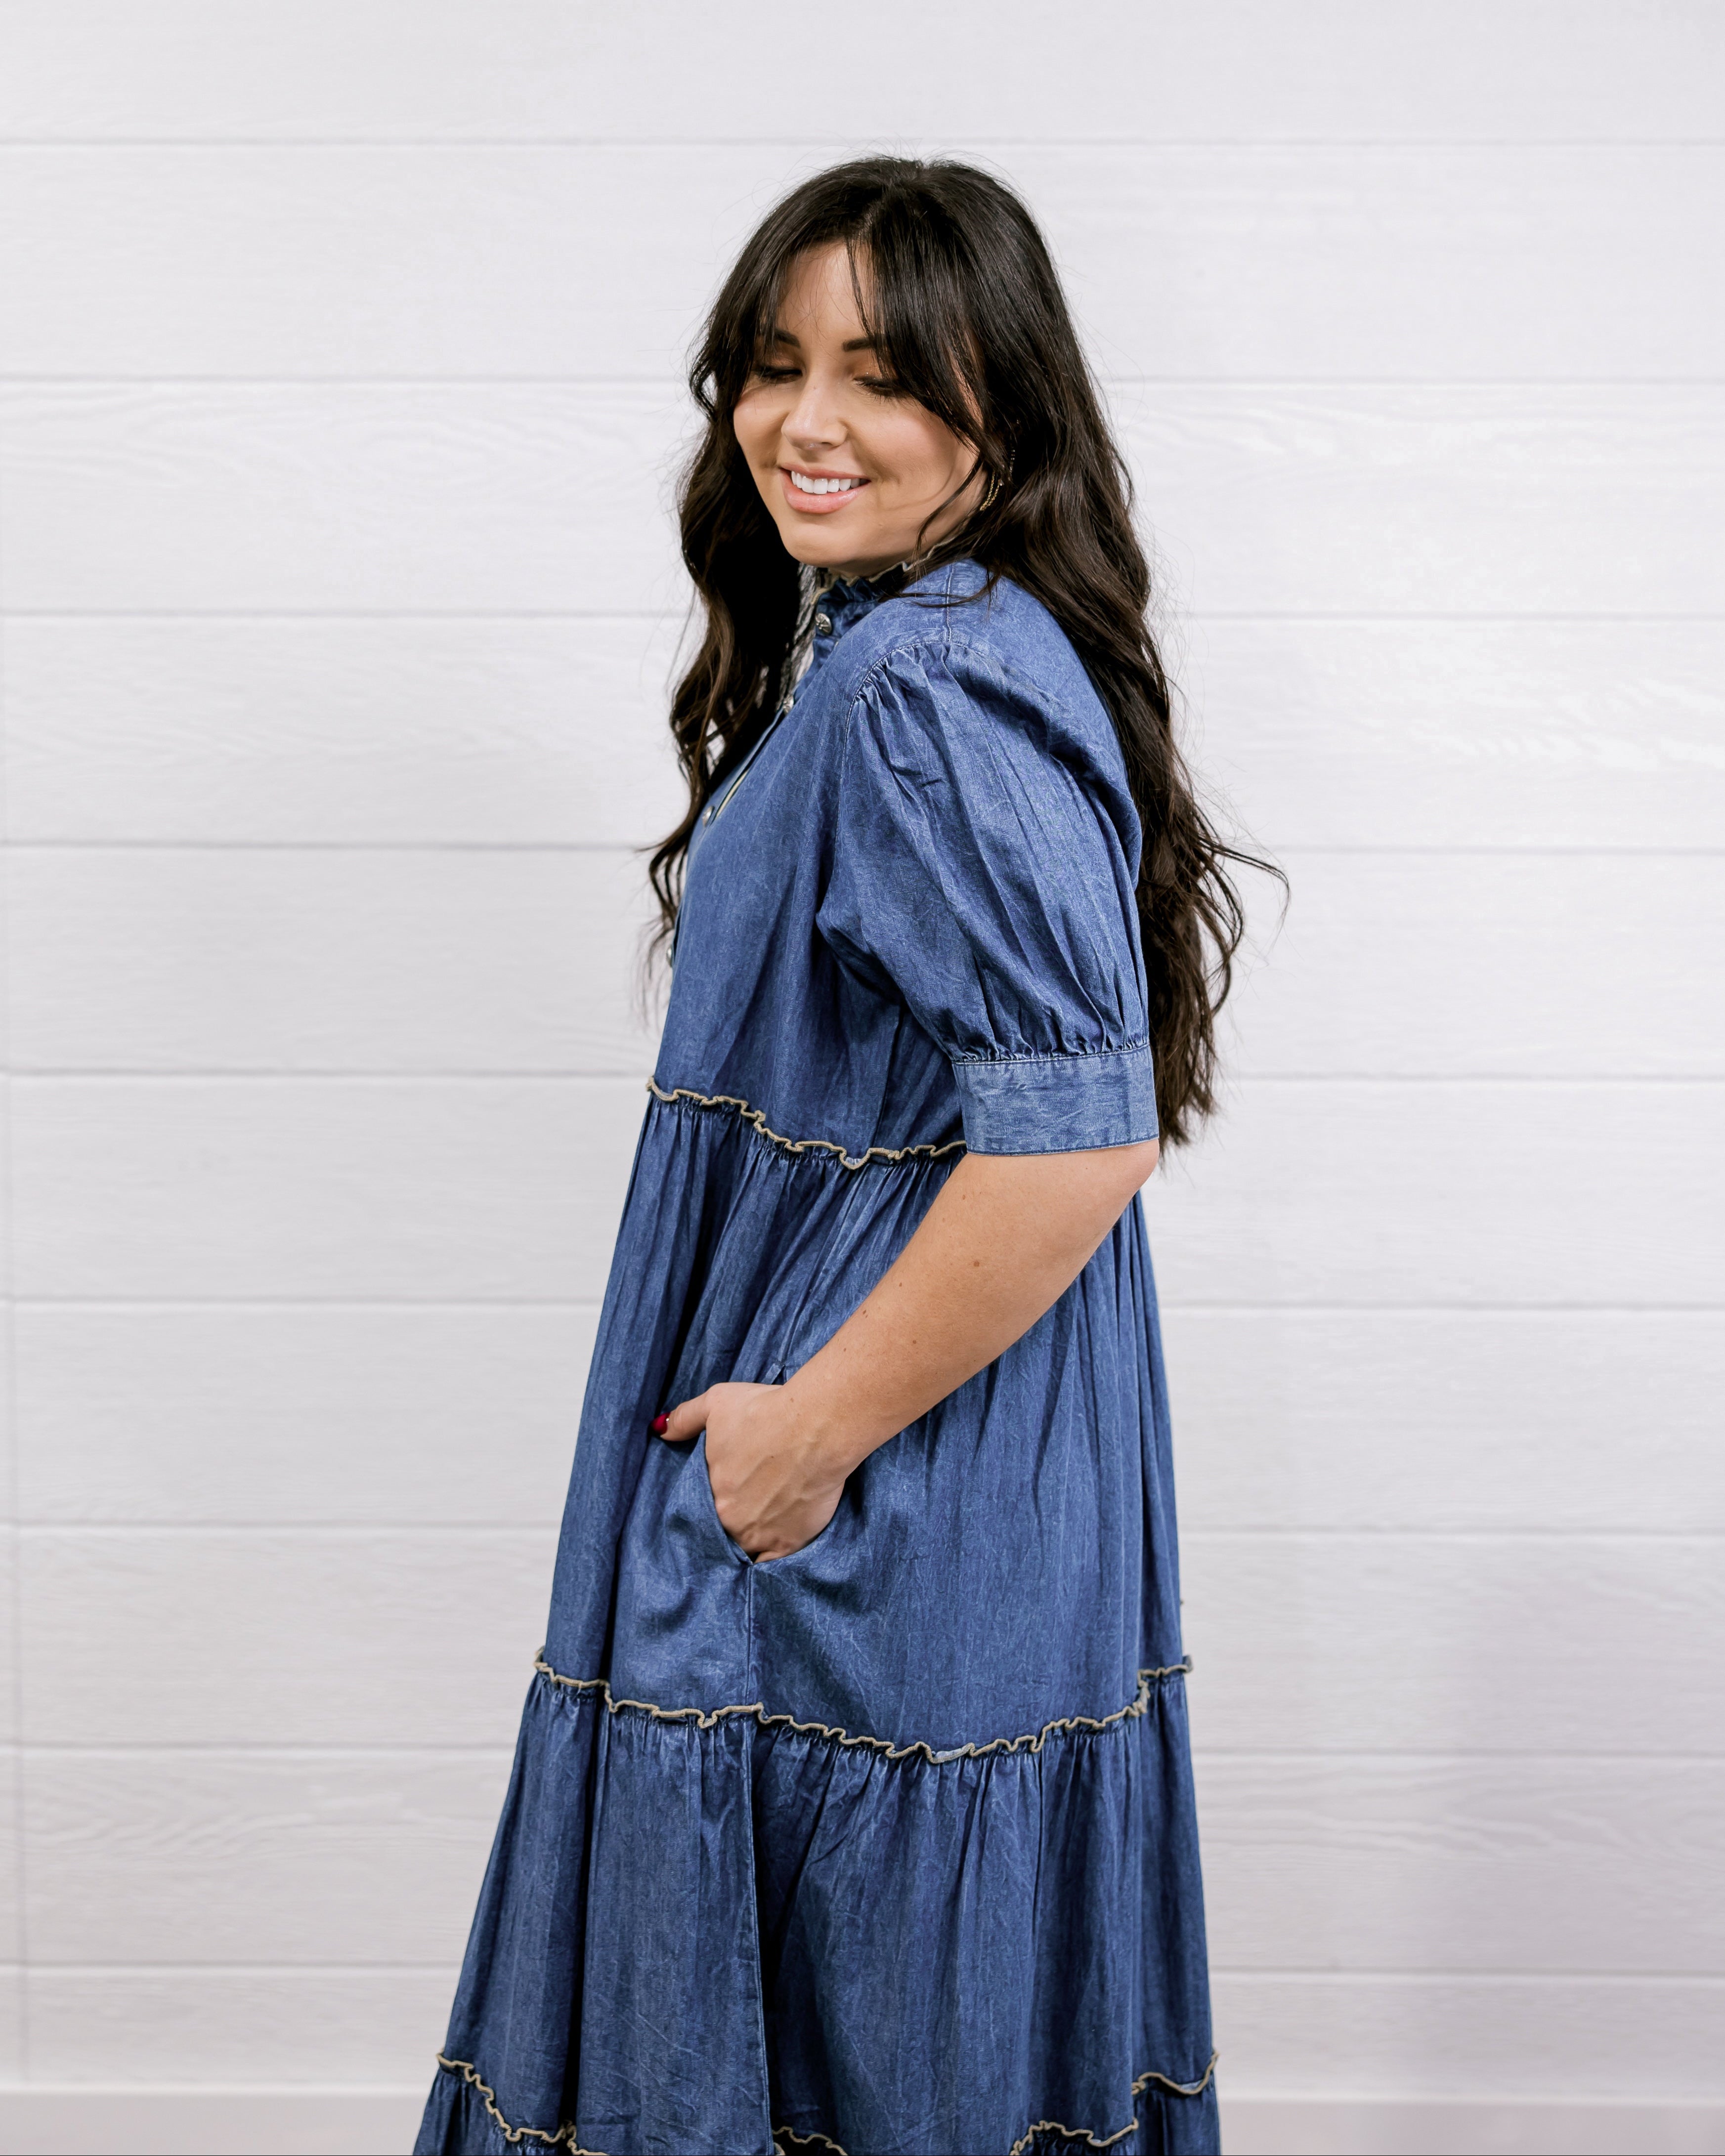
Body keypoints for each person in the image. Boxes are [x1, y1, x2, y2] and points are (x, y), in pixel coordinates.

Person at [416, 156, 1263, 2156]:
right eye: (772, 365)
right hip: (935, 1456)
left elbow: (1076, 1142)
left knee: (849, 2027)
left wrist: (804, 1435)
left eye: (886, 375)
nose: (809, 422)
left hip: (873, 1481)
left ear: (1004, 405)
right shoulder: (937, 637)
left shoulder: (923, 688)